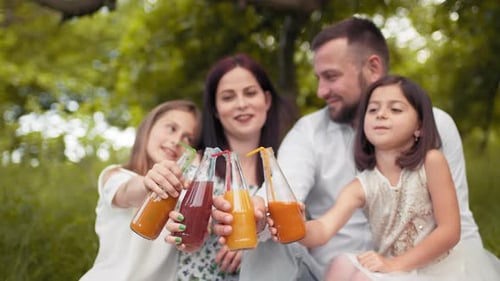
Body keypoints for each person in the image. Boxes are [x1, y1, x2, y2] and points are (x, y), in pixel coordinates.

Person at [212, 16, 484, 280]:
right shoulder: (312, 135)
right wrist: (260, 213)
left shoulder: (434, 128)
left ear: (373, 68)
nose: (320, 91)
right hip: (334, 270)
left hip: (422, 266)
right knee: (273, 242)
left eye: (330, 76)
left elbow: (457, 222)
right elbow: (283, 190)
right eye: (318, 78)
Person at [270, 75, 500, 280]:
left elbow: (450, 231)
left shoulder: (431, 162)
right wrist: (297, 226)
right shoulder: (361, 185)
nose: (381, 114)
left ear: (419, 126)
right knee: (340, 266)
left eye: (396, 109)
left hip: (442, 269)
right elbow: (322, 230)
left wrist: (393, 264)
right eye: (373, 110)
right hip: (395, 269)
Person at [164, 53, 292, 280]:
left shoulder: (286, 168)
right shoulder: (196, 167)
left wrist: (256, 237)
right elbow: (179, 232)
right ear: (215, 109)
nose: (241, 104)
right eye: (228, 97)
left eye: (250, 93)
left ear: (267, 100)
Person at [80, 100, 201, 281]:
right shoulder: (115, 175)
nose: (177, 141)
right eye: (171, 128)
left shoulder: (184, 197)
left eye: (188, 138)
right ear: (148, 128)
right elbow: (127, 192)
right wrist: (147, 184)